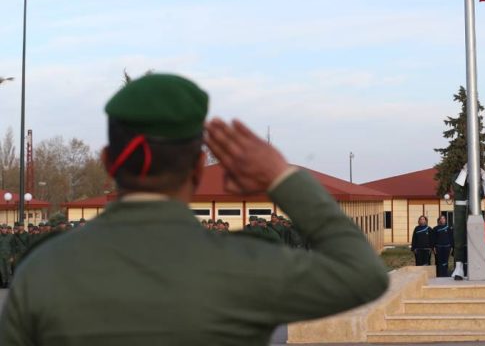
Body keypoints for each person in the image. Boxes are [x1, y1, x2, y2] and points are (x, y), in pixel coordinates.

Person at [0, 73, 389, 345]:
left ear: (108, 159)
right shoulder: (247, 266)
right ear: (197, 166)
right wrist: (281, 178)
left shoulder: (44, 270)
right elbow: (363, 273)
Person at [451, 166, 469, 280]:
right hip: (460, 209)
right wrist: (464, 171)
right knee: (459, 240)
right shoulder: (456, 176)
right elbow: (457, 187)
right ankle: (459, 267)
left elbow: (482, 193)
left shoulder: (475, 176)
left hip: (473, 208)